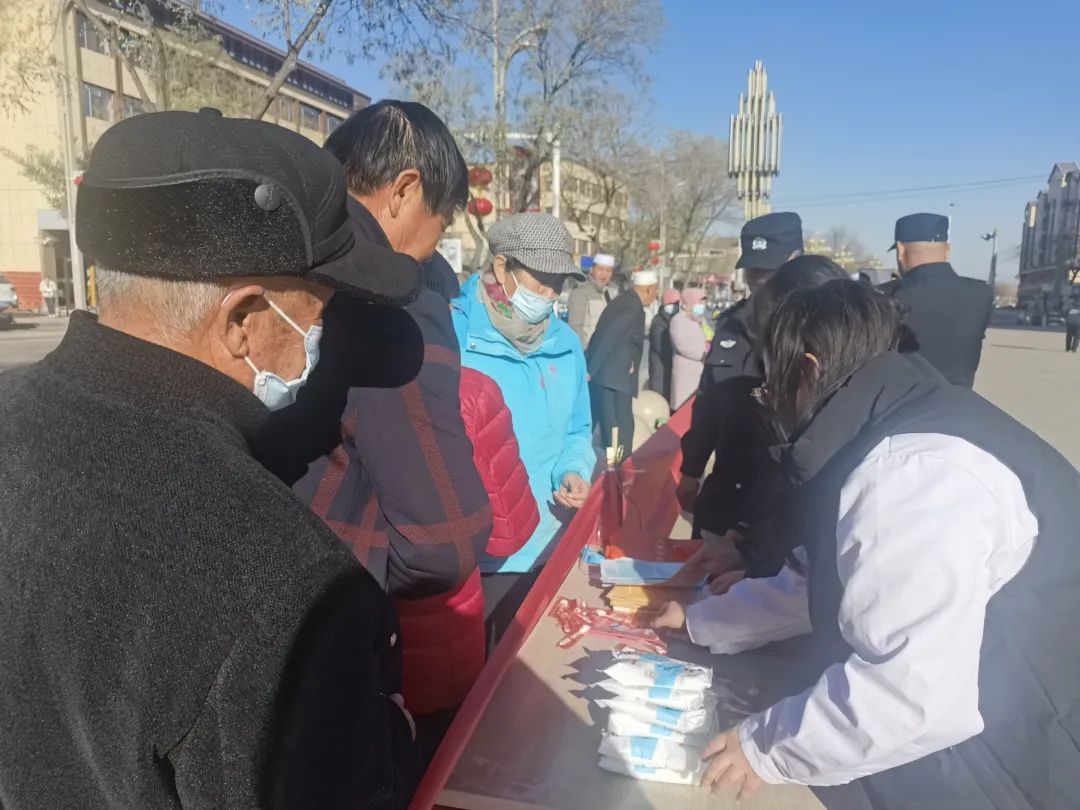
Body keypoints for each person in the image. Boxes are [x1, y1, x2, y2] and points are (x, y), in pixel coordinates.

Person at [0, 109, 420, 807]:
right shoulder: (289, 582)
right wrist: (392, 746)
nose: (319, 340)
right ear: (243, 321)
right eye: (318, 313)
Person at [655, 280, 1080, 807]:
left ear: (807, 371)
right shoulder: (894, 422)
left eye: (769, 386)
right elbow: (818, 582)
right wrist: (700, 621)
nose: (768, 403)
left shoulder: (912, 471)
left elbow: (911, 694)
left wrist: (763, 746)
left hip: (1012, 759)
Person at [259, 100, 493, 612]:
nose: (433, 249)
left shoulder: (266, 254)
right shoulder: (396, 304)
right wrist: (363, 574)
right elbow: (445, 543)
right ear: (404, 190)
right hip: (319, 609)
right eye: (441, 224)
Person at [451, 212, 596, 643]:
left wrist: (574, 470)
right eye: (541, 280)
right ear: (502, 267)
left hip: (547, 546)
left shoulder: (565, 344)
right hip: (477, 555)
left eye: (559, 283)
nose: (550, 294)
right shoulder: (453, 332)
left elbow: (577, 429)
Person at [397, 365, 539, 720]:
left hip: (337, 634)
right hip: (439, 627)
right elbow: (508, 535)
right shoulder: (469, 391)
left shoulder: (306, 386)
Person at [676, 212, 803, 534]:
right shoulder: (730, 324)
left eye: (769, 270)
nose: (759, 279)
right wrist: (691, 470)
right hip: (728, 487)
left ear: (796, 261)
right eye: (753, 270)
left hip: (786, 496)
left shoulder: (814, 326)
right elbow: (707, 404)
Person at [881, 212, 993, 387]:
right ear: (947, 250)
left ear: (901, 250)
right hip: (961, 401)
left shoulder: (884, 296)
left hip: (898, 401)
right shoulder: (981, 293)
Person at [587, 268, 660, 459]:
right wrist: (591, 370)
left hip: (614, 377)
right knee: (618, 427)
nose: (655, 296)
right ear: (648, 289)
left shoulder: (624, 302)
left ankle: (616, 462)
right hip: (615, 379)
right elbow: (607, 338)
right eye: (655, 291)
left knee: (615, 425)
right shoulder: (630, 307)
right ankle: (617, 464)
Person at [668, 287, 711, 410]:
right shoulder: (678, 320)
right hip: (685, 373)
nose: (702, 306)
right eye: (699, 302)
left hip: (700, 371)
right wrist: (702, 355)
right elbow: (682, 345)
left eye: (703, 303)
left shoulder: (699, 320)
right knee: (683, 408)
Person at [567, 252, 616, 348]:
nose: (604, 274)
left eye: (608, 271)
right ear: (592, 270)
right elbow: (575, 328)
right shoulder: (580, 293)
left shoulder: (611, 294)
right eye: (600, 269)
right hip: (588, 351)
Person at [646, 288, 680, 399]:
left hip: (669, 373)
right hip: (660, 374)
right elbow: (661, 347)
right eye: (671, 304)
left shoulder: (675, 320)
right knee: (660, 401)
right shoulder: (659, 322)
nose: (674, 307)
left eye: (676, 304)